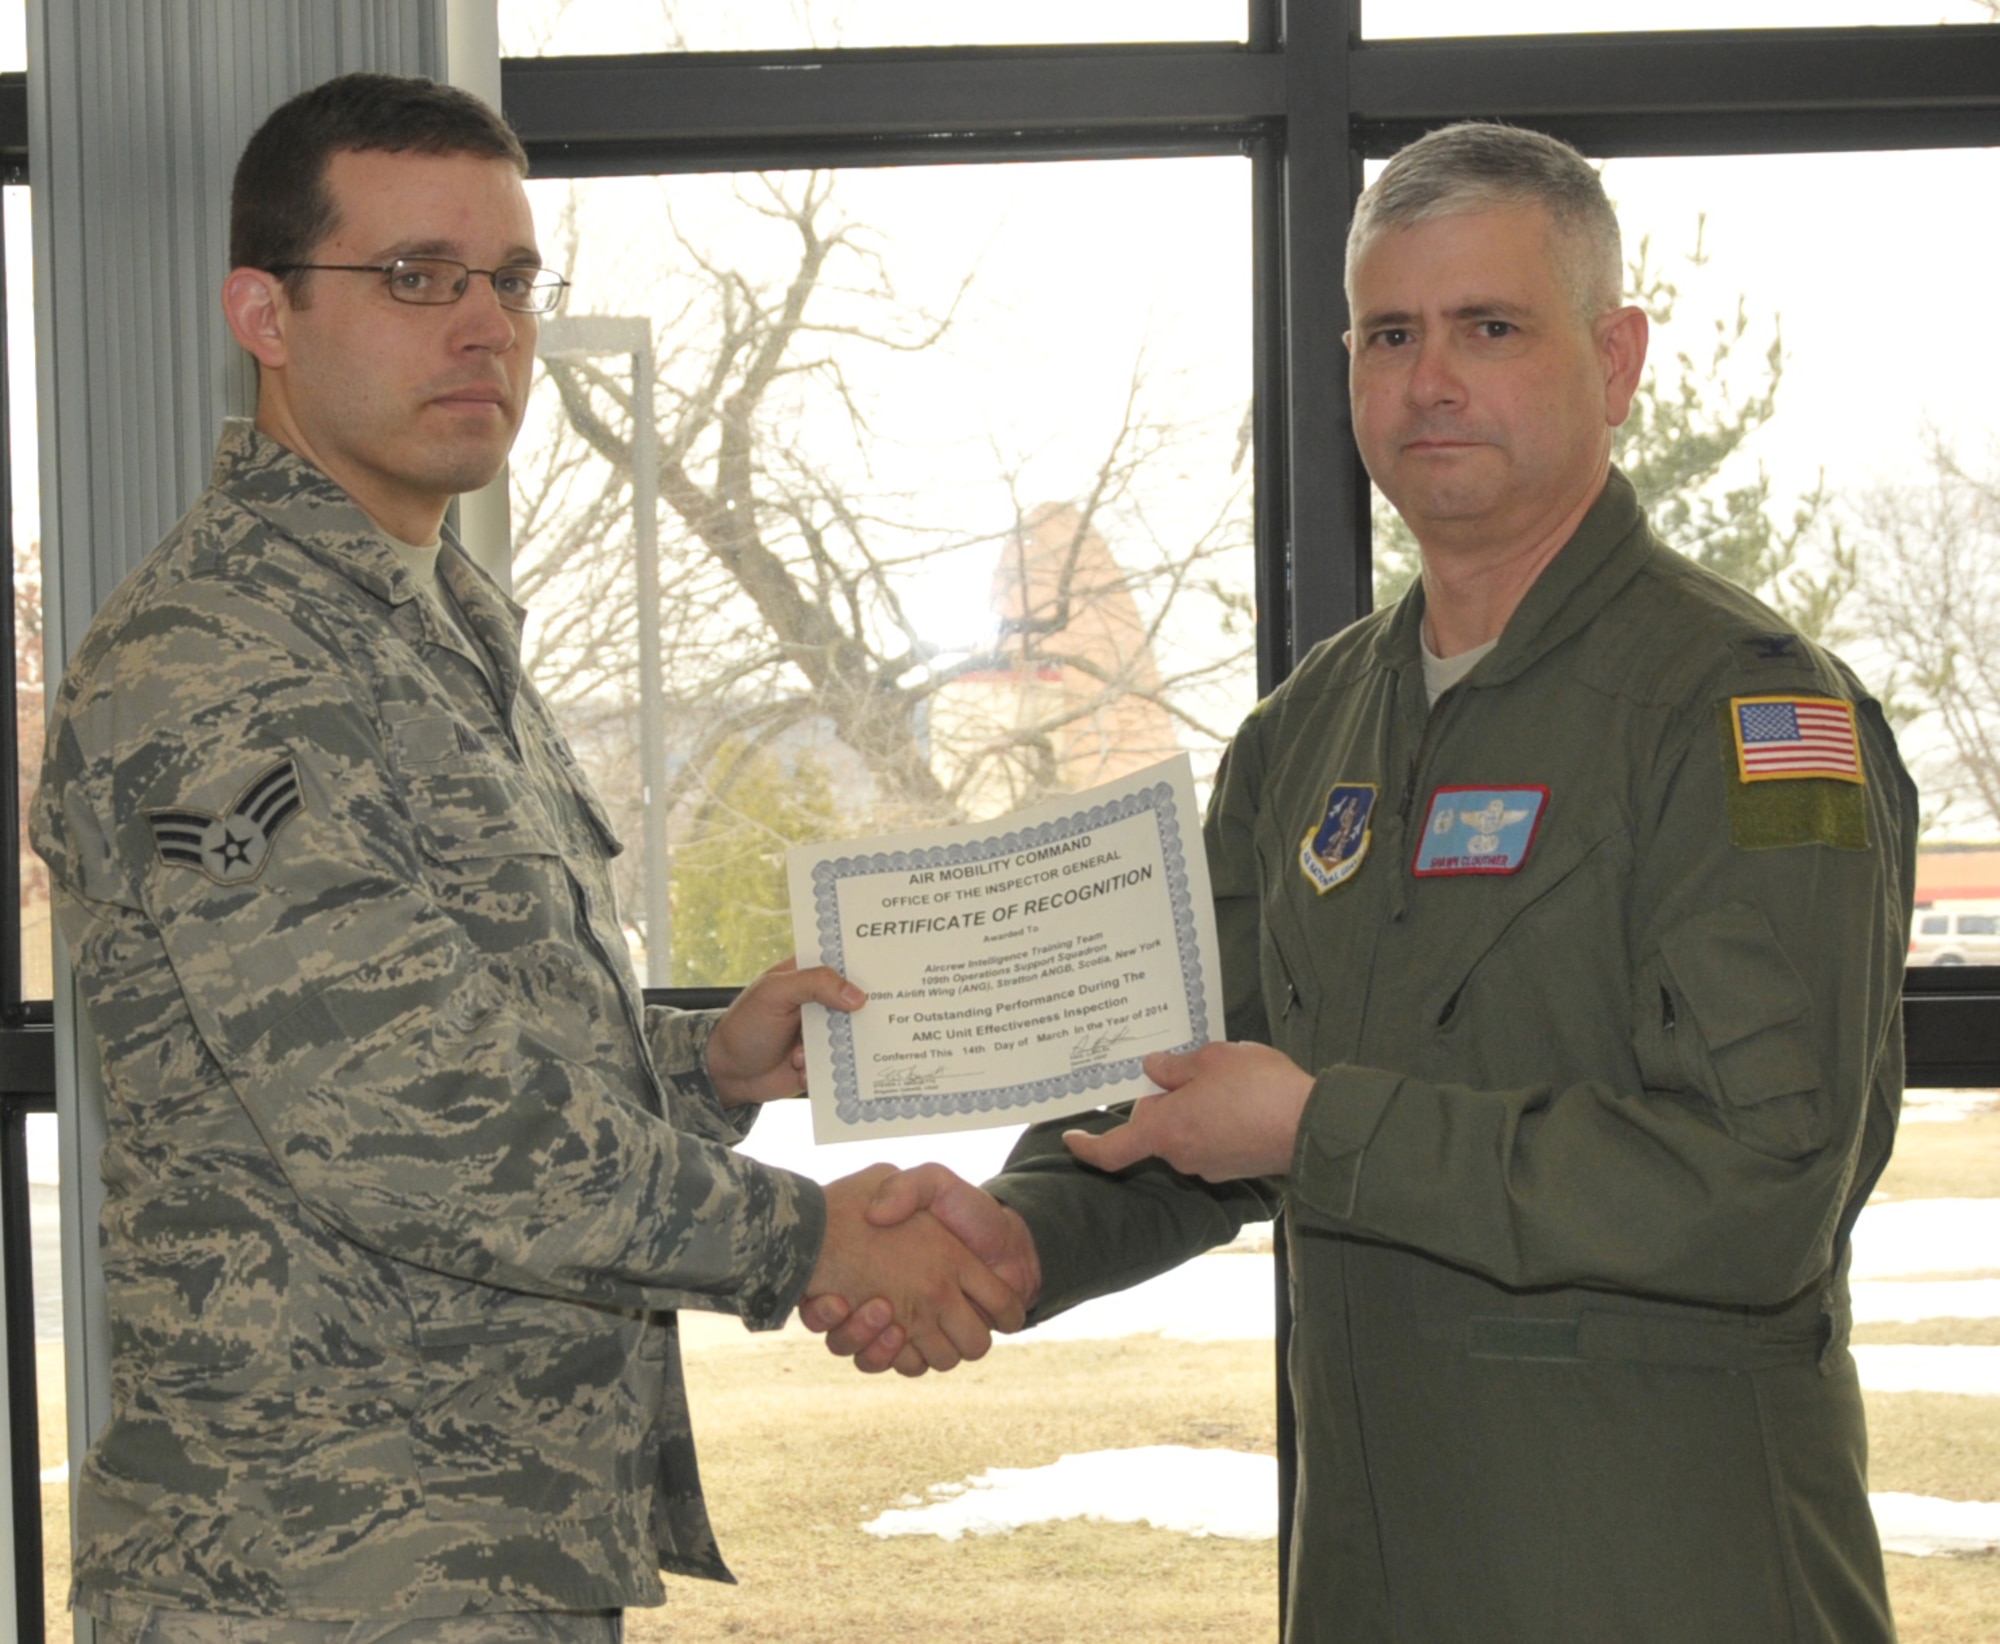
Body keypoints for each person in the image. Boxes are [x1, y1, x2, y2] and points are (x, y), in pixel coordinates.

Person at [810, 122, 1918, 1643]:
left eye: (1490, 328)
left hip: (1671, 1571)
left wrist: (1326, 1126)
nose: (1430, 380)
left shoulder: (1749, 719)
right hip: (1373, 1575)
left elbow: (1760, 1192)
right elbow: (1188, 1078)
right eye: (1390, 333)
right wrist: (1027, 1231)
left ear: (1618, 357)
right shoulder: (1308, 731)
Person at [32, 72, 1023, 1643]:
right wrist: (816, 1237)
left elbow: (472, 1023)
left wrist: (704, 1060)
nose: (485, 326)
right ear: (264, 316)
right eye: (416, 277)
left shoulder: (428, 622)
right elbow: (406, 1116)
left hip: (481, 1551)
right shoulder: (215, 659)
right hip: (304, 1576)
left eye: (512, 281)